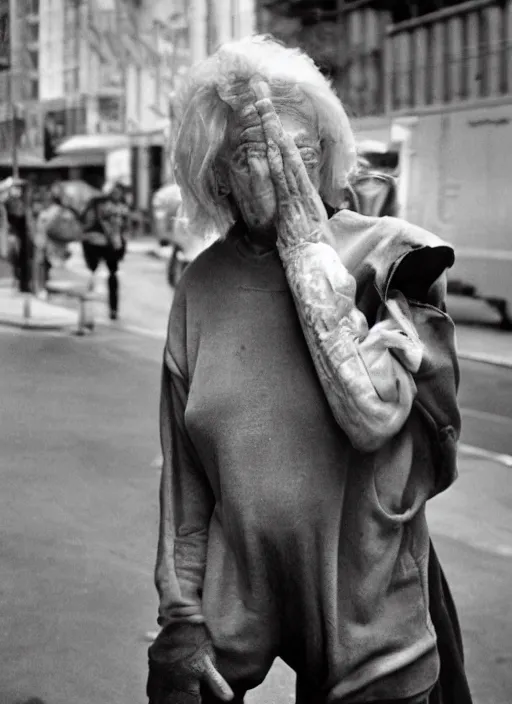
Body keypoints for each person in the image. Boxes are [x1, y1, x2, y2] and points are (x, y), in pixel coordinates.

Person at [147, 36, 473, 704]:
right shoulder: (200, 289)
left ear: (325, 150)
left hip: (374, 624)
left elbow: (387, 419)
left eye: (299, 150)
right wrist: (181, 619)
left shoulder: (394, 256)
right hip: (239, 605)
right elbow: (185, 489)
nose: (279, 171)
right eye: (249, 157)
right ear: (216, 177)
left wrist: (305, 249)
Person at [80, 181, 130, 320]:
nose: (116, 194)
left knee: (109, 275)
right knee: (93, 275)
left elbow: (124, 227)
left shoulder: (118, 206)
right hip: (99, 244)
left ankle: (112, 309)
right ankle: (89, 310)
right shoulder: (99, 204)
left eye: (118, 192)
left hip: (109, 245)